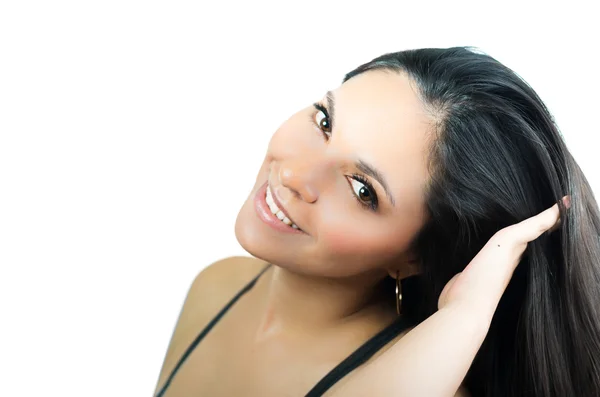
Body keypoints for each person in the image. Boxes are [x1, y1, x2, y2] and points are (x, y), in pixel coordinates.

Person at [153, 46, 600, 396]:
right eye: (325, 121)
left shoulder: (425, 383)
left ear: (414, 257)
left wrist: (464, 316)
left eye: (362, 189)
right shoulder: (215, 286)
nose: (292, 174)